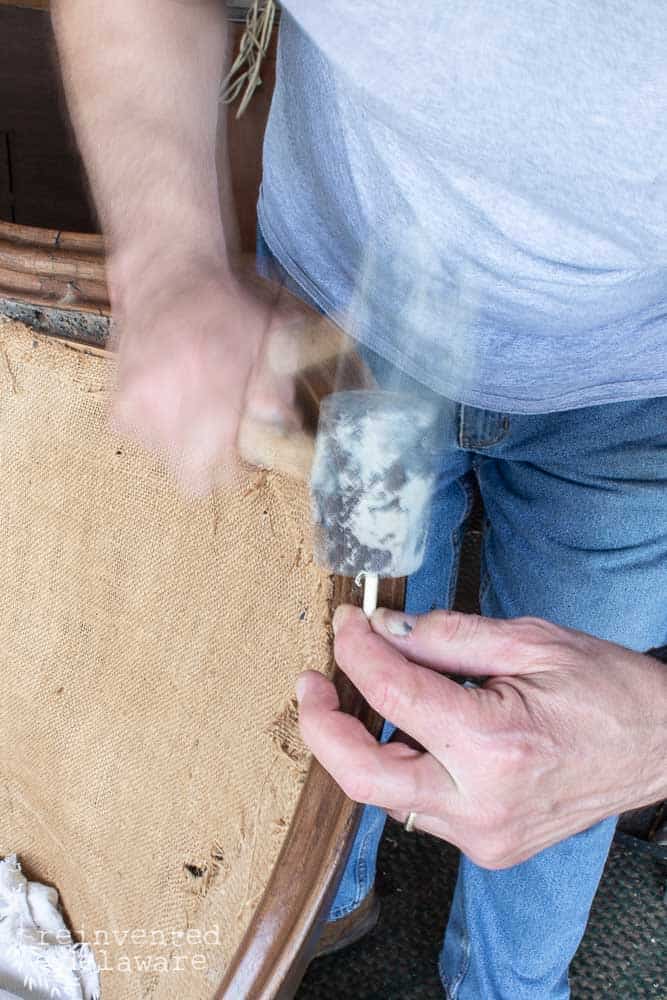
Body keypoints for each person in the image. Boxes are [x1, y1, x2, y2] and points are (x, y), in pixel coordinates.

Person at [52, 2, 666, 996]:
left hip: (636, 396)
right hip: (341, 335)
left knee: (566, 778)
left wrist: (653, 735)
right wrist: (167, 260)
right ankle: (328, 899)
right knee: (331, 673)